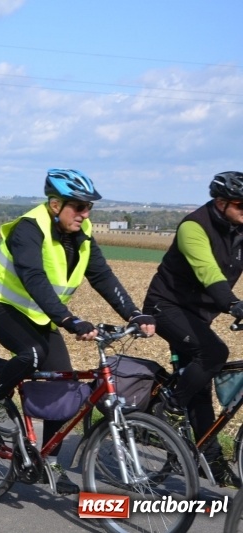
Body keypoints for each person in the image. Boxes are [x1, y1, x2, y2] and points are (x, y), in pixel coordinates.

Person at [0, 168, 156, 494]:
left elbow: (102, 276)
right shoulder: (29, 229)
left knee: (65, 383)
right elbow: (34, 279)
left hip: (40, 313)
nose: (86, 214)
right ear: (56, 205)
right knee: (31, 353)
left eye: (89, 208)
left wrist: (134, 313)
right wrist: (69, 320)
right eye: (79, 207)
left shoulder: (81, 233)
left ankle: (51, 461)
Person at [143, 171, 243, 488]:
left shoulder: (239, 229)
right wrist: (234, 305)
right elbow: (208, 272)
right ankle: (169, 406)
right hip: (167, 306)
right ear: (221, 201)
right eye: (242, 205)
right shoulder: (194, 227)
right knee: (214, 353)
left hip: (199, 314)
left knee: (201, 388)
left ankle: (210, 461)